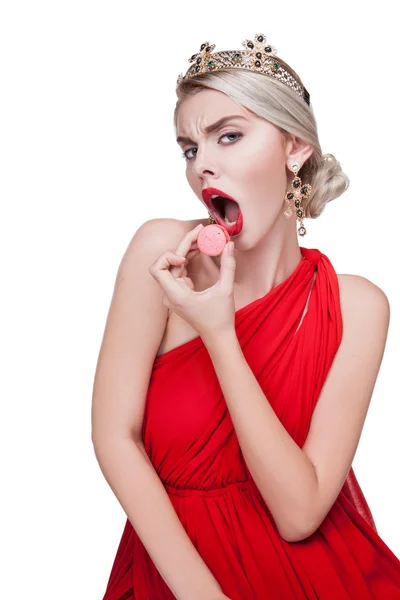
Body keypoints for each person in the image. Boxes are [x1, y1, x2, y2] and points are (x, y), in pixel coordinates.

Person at [92, 33, 400, 599]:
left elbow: (299, 512)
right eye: (190, 148)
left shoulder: (357, 307)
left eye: (228, 137)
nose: (202, 165)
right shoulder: (159, 254)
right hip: (172, 579)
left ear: (294, 148)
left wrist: (219, 335)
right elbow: (115, 438)